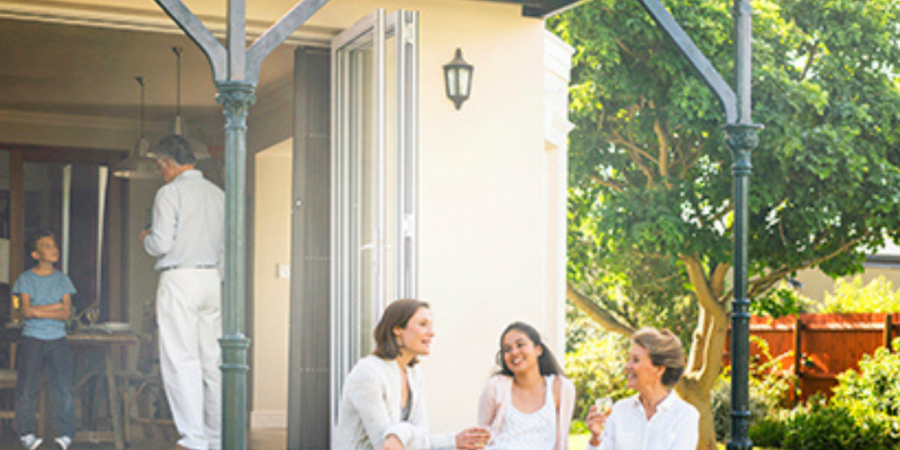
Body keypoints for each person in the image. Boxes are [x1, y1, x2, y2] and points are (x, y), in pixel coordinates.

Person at [140, 135, 225, 450]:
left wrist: (146, 238)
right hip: (212, 279)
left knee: (180, 359)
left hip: (180, 278)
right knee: (212, 362)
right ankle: (216, 436)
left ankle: (193, 437)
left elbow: (161, 244)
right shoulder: (218, 195)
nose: (161, 172)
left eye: (160, 165)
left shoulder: (169, 193)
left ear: (168, 162)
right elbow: (227, 246)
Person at [334, 299, 491, 450]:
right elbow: (385, 443)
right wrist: (404, 434)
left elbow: (422, 434)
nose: (431, 333)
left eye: (431, 325)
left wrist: (455, 441)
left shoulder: (413, 374)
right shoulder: (368, 373)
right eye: (423, 324)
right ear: (397, 329)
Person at [585, 327, 699, 450]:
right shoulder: (619, 410)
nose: (627, 366)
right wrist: (596, 439)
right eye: (629, 359)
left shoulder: (685, 415)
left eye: (636, 360)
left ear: (659, 369)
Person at [14, 230, 77, 450]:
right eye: (47, 246)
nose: (54, 249)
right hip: (32, 340)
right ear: (35, 254)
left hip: (58, 339)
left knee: (64, 388)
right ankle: (26, 433)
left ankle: (66, 434)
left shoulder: (63, 279)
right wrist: (55, 306)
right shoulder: (25, 279)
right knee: (27, 388)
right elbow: (25, 311)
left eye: (54, 245)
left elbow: (66, 313)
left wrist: (36, 310)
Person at [478, 322, 576, 450]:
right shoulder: (496, 386)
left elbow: (562, 441)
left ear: (538, 349)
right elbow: (479, 436)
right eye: (507, 349)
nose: (514, 352)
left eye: (520, 345)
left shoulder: (562, 388)